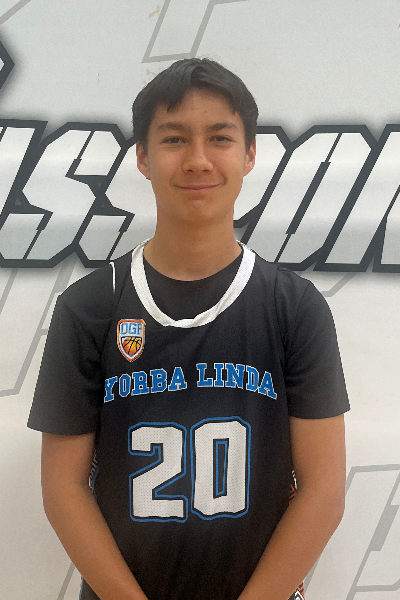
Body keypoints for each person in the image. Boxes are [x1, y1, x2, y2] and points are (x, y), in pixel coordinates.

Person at [28, 58, 349, 600]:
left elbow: (323, 492)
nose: (198, 160)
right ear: (143, 157)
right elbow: (63, 488)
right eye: (174, 139)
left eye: (220, 138)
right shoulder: (90, 308)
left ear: (249, 154)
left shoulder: (295, 308)